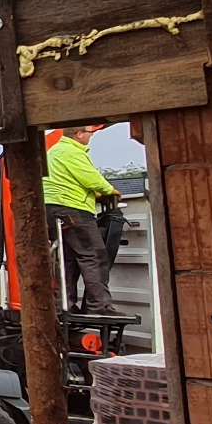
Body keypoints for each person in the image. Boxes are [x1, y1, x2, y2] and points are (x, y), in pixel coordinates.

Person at [43, 122, 121, 314]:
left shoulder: (54, 151)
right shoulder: (71, 152)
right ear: (78, 134)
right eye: (89, 133)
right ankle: (99, 305)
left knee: (69, 259)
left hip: (55, 209)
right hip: (72, 209)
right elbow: (91, 178)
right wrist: (110, 190)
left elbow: (72, 181)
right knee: (94, 255)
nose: (91, 136)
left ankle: (65, 306)